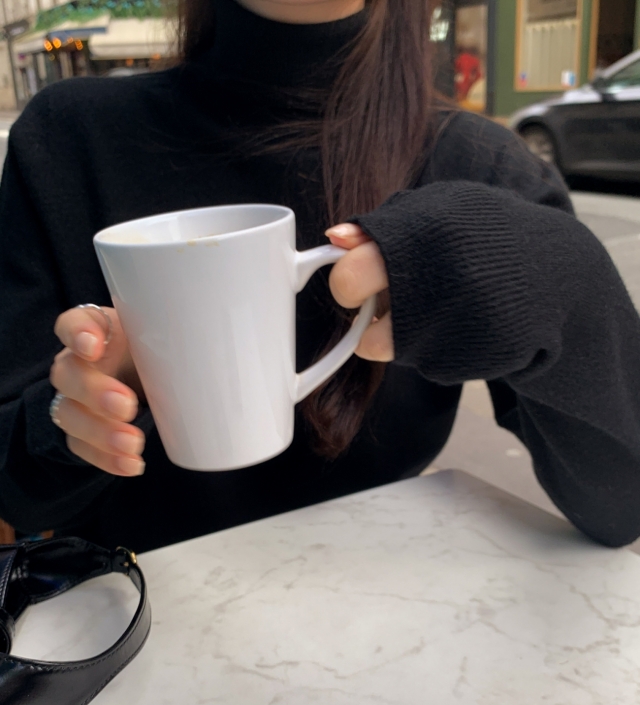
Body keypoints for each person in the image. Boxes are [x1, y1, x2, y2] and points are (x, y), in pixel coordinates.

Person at [1, 0, 639, 554]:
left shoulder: (481, 167)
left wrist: (563, 285)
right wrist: (74, 417)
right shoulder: (69, 138)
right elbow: (14, 493)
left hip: (390, 608)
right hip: (135, 621)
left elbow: (621, 506)